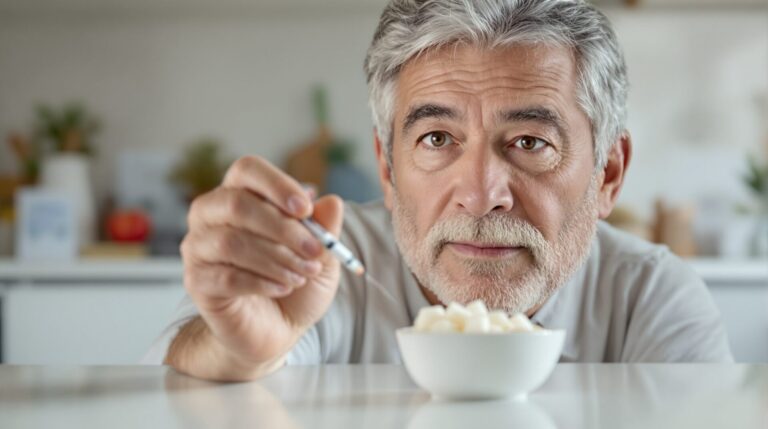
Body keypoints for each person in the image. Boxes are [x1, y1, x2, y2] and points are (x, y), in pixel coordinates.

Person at [144, 0, 732, 381]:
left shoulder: (651, 299)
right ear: (387, 166)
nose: (480, 196)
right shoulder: (316, 268)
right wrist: (241, 355)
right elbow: (168, 393)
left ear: (608, 173)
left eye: (529, 142)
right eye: (436, 139)